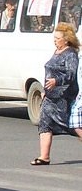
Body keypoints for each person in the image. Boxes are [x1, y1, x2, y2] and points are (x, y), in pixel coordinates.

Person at [32, 21, 80, 165]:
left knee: (72, 126)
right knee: (44, 124)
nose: (54, 41)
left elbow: (71, 75)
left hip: (63, 97)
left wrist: (56, 81)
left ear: (66, 39)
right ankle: (44, 157)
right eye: (54, 38)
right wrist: (44, 90)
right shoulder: (56, 52)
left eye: (57, 38)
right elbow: (49, 72)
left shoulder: (70, 54)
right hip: (50, 97)